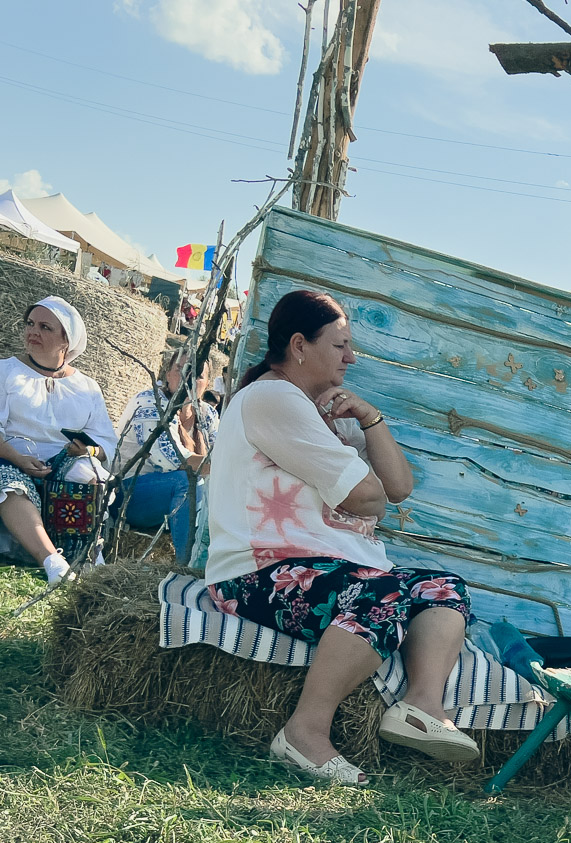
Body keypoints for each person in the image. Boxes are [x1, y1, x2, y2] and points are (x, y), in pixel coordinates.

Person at [205, 290, 480, 786]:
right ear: (299, 345)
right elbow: (365, 498)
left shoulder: (320, 409)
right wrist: (362, 484)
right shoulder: (273, 398)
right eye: (341, 345)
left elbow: (396, 489)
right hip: (256, 573)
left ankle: (421, 707)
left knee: (445, 588)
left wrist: (370, 418)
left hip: (328, 567)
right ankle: (304, 732)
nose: (351, 358)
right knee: (384, 595)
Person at [0, 296, 116, 585]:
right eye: (30, 324)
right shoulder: (5, 370)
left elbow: (106, 441)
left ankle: (90, 559)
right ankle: (52, 562)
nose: (32, 332)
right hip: (8, 456)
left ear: (66, 340)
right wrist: (17, 458)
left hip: (63, 460)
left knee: (93, 477)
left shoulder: (87, 387)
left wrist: (89, 449)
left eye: (45, 327)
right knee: (8, 483)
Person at [115, 351, 218, 561]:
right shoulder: (151, 404)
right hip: (129, 496)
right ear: (168, 374)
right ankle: (188, 566)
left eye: (197, 375)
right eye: (181, 370)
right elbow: (175, 462)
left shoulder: (207, 414)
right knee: (188, 480)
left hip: (172, 500)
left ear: (206, 384)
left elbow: (220, 453)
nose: (188, 378)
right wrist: (231, 466)